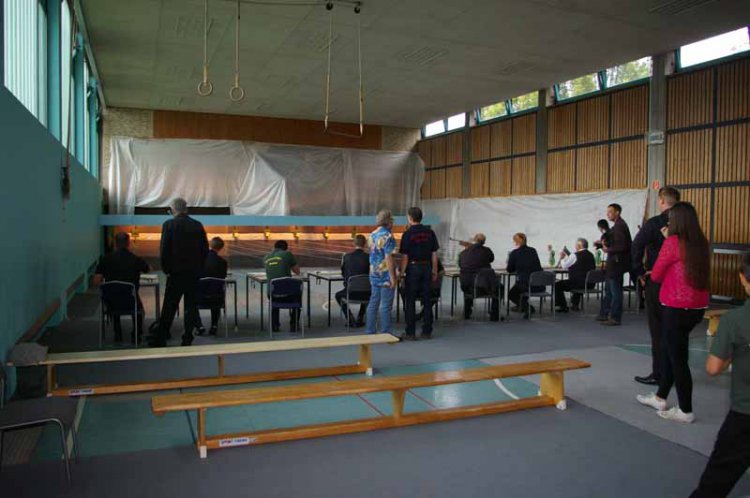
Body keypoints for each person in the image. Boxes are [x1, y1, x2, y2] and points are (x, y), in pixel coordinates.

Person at [636, 202, 710, 423]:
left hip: (676, 306)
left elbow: (657, 274)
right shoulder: (701, 242)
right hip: (696, 307)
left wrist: (666, 240)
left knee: (678, 359)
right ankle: (660, 397)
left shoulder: (673, 242)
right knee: (672, 351)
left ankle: (685, 410)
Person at [690, 253, 750, 498]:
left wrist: (733, 354)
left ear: (743, 278)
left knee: (717, 478)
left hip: (745, 413)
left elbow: (713, 368)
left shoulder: (736, 320)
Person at [631, 187, 681, 386]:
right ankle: (678, 371)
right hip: (680, 282)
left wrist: (639, 271)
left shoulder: (654, 223)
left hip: (658, 280)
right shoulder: (687, 224)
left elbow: (637, 245)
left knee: (658, 329)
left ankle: (660, 373)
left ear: (661, 201)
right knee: (677, 329)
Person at [149, 198, 208, 347]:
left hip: (176, 274)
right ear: (186, 209)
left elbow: (164, 250)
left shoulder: (169, 225)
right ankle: (187, 338)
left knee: (169, 307)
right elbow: (204, 250)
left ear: (172, 210)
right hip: (193, 274)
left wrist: (166, 270)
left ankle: (161, 338)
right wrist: (199, 269)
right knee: (191, 307)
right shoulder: (197, 225)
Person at [94, 232, 149, 343]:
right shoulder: (135, 259)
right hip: (130, 301)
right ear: (128, 243)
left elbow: (96, 281)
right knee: (139, 310)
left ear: (115, 243)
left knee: (114, 301)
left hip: (111, 302)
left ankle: (118, 334)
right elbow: (148, 269)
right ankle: (136, 335)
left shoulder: (105, 259)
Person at [399, 207, 440, 340]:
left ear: (410, 218)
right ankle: (427, 331)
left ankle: (410, 332)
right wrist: (434, 270)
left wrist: (402, 273)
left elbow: (405, 257)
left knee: (410, 300)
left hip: (413, 268)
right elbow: (434, 254)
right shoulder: (430, 232)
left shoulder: (407, 234)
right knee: (427, 300)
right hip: (427, 267)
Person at [596, 203, 632, 326]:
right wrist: (602, 244)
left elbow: (622, 246)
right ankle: (605, 313)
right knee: (609, 291)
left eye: (610, 212)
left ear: (617, 212)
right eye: (607, 212)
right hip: (614, 263)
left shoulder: (620, 226)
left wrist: (607, 249)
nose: (608, 214)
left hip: (616, 264)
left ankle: (615, 317)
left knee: (615, 292)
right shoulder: (617, 226)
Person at [365, 210, 398, 335]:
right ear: (389, 221)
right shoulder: (388, 236)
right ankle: (385, 331)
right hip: (385, 275)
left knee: (373, 302)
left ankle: (370, 330)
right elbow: (388, 257)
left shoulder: (372, 235)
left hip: (373, 273)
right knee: (386, 305)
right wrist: (393, 277)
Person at [458, 233, 500, 321]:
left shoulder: (462, 253)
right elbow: (491, 259)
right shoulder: (487, 251)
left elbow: (460, 265)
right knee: (499, 288)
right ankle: (494, 315)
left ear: (474, 240)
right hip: (484, 287)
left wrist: (468, 248)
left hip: (466, 286)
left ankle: (467, 313)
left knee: (470, 282)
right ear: (484, 242)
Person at [263, 240, 301, 332]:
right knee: (298, 295)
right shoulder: (287, 254)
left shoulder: (266, 257)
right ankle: (294, 324)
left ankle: (275, 325)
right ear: (286, 248)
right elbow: (297, 271)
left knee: (275, 298)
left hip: (271, 293)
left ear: (274, 247)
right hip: (287, 294)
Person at [335, 234, 370, 327]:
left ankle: (349, 317)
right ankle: (360, 317)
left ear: (353, 243)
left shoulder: (346, 257)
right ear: (365, 244)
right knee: (366, 290)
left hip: (350, 291)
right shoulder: (369, 257)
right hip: (367, 292)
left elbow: (343, 273)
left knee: (338, 295)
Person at [196, 237, 228, 336]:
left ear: (210, 244)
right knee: (216, 290)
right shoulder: (223, 262)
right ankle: (214, 325)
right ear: (221, 248)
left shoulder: (199, 260)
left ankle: (199, 326)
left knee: (190, 300)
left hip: (199, 298)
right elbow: (222, 278)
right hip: (217, 299)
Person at [507, 233, 543, 320]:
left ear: (516, 242)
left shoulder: (514, 253)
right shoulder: (533, 251)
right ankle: (522, 306)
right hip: (539, 285)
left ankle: (528, 308)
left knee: (512, 294)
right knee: (520, 289)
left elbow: (509, 269)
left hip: (526, 284)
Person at [554, 238, 596, 312]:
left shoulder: (575, 255)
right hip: (590, 284)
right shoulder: (591, 255)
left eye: (576, 245)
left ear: (579, 246)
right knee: (580, 278)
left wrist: (562, 258)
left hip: (578, 283)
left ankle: (562, 306)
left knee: (557, 285)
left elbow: (564, 266)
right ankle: (575, 304)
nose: (575, 246)